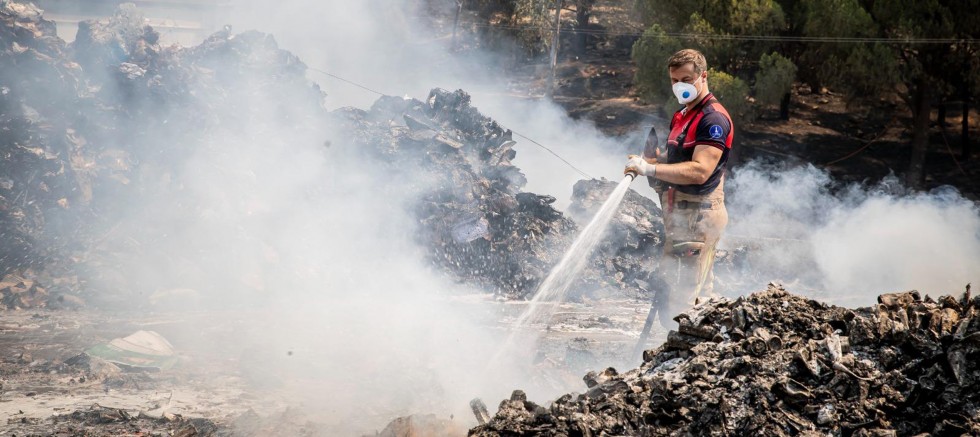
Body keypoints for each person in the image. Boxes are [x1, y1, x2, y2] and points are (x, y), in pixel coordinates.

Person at [624, 49, 733, 323]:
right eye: (674, 80)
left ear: (703, 76)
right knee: (684, 294)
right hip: (681, 217)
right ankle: (690, 353)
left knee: (684, 302)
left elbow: (700, 171)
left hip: (698, 218)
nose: (679, 86)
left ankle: (688, 357)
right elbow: (679, 160)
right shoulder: (683, 114)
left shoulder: (713, 120)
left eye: (686, 79)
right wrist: (654, 160)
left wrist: (650, 168)